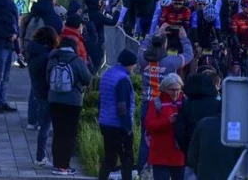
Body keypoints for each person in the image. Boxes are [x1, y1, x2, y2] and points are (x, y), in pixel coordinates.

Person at [137, 26, 194, 171]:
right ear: (165, 45)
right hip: (165, 103)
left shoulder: (143, 59)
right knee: (167, 138)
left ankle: (142, 170)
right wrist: (183, 37)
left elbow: (142, 46)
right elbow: (189, 54)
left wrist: (155, 33)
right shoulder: (171, 62)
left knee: (145, 139)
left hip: (146, 102)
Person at [47, 36, 92, 176]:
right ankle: (64, 166)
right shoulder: (76, 60)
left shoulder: (53, 59)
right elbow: (87, 78)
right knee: (69, 134)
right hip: (73, 101)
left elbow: (48, 77)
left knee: (58, 133)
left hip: (54, 100)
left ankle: (56, 165)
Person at [98, 49, 138, 180]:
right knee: (127, 159)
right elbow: (122, 107)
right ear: (129, 64)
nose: (135, 67)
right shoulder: (123, 80)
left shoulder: (107, 74)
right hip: (118, 125)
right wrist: (128, 129)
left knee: (110, 158)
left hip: (105, 123)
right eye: (134, 64)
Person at [26, 26, 58, 165]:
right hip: (48, 93)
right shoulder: (47, 57)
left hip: (38, 90)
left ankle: (41, 157)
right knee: (46, 127)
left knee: (44, 126)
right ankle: (41, 157)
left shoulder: (33, 52)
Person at [144, 73, 186, 180]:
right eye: (172, 90)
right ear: (164, 88)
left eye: (178, 89)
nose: (175, 93)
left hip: (179, 154)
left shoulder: (185, 102)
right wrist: (168, 121)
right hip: (160, 154)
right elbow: (149, 125)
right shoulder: (156, 103)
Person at [174, 72, 221, 162]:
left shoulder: (187, 105)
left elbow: (180, 130)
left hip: (191, 148)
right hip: (214, 148)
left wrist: (186, 150)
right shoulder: (218, 104)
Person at [187, 114, 243, 180]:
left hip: (205, 175)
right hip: (228, 175)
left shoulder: (204, 124)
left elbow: (192, 157)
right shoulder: (239, 128)